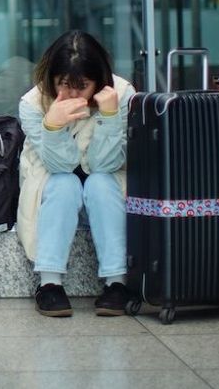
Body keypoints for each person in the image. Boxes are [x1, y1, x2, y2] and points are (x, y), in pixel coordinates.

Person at [16, 30, 136, 317]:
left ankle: (117, 283)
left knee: (100, 182)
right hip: (53, 189)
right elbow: (61, 166)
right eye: (63, 85)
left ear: (99, 80)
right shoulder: (32, 104)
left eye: (81, 86)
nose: (71, 94)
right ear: (51, 80)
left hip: (108, 189)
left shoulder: (121, 94)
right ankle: (49, 284)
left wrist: (109, 116)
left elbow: (105, 163)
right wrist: (53, 127)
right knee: (65, 183)